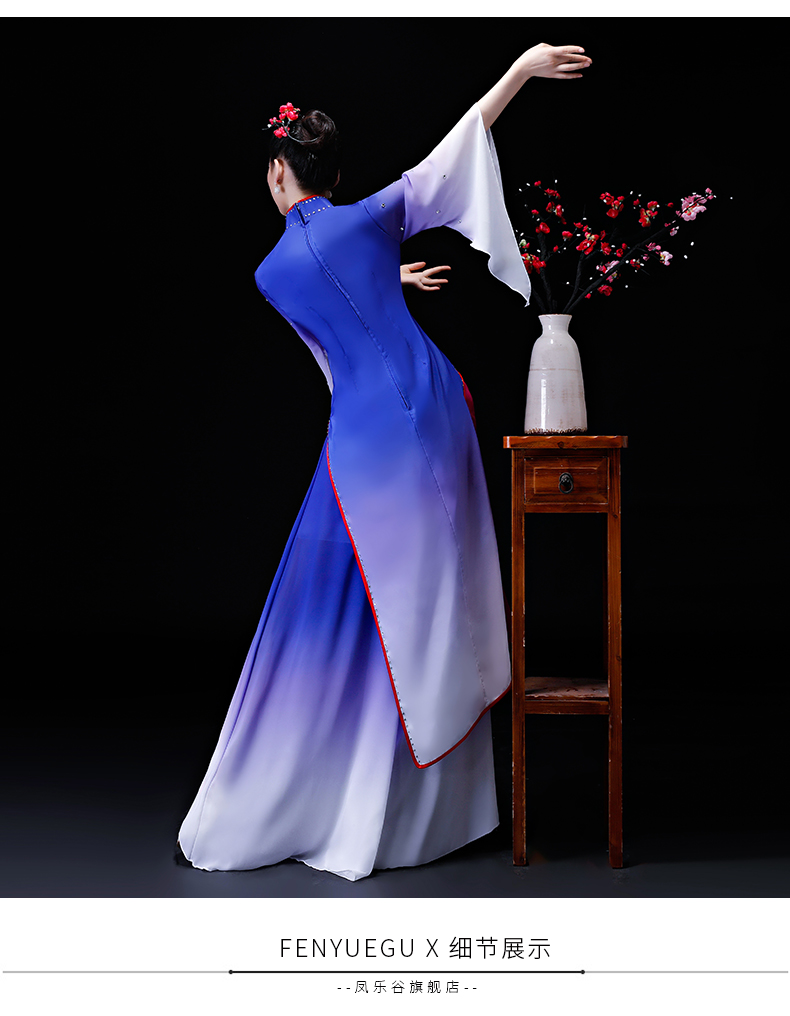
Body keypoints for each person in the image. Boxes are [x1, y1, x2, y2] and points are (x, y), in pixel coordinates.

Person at [177, 43, 592, 881]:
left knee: (366, 591)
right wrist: (519, 69)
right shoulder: (367, 219)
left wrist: (383, 276)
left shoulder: (269, 273)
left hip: (365, 430)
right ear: (332, 175)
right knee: (426, 587)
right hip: (435, 408)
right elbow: (456, 151)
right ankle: (431, 801)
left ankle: (340, 793)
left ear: (277, 173)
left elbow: (330, 330)